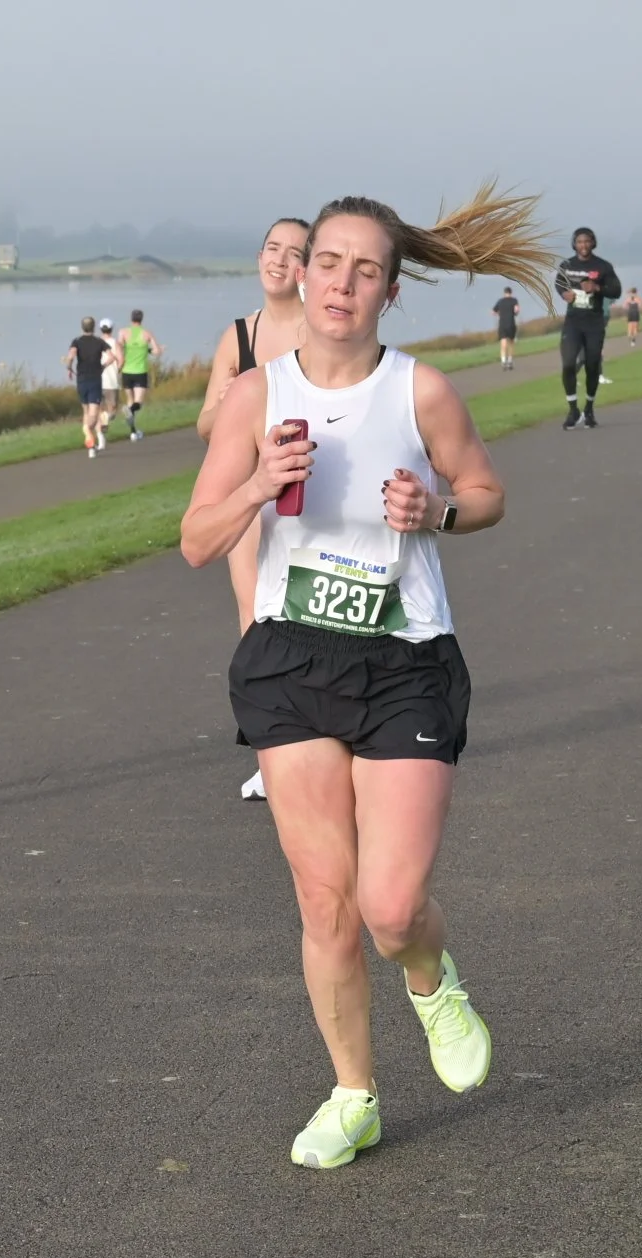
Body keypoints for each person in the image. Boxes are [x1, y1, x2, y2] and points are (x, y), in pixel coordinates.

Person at [181, 186, 549, 1170]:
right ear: (302, 275)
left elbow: (487, 493)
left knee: (388, 905)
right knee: (325, 901)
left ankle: (430, 978)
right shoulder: (256, 396)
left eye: (366, 270)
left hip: (405, 661)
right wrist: (257, 483)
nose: (343, 283)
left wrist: (437, 512)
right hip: (290, 656)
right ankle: (354, 1095)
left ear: (390, 291)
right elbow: (196, 538)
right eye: (328, 263)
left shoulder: (419, 392)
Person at [195, 217, 312, 802]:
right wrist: (233, 401)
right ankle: (272, 754)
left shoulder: (322, 330)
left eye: (294, 253)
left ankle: (321, 735)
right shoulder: (238, 335)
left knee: (307, 615)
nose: (279, 260)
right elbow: (205, 425)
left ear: (309, 268)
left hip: (307, 494)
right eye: (272, 248)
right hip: (249, 496)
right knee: (256, 619)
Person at [556, 227, 622, 429]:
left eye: (586, 241)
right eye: (579, 242)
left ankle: (589, 408)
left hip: (594, 323)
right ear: (574, 244)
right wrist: (564, 294)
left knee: (592, 366)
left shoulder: (603, 266)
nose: (583, 245)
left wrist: (597, 287)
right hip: (573, 322)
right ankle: (573, 410)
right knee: (568, 364)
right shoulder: (567, 265)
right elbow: (559, 283)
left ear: (593, 243)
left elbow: (616, 291)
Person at [64, 316, 119, 457]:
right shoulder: (99, 342)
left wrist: (69, 367)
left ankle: (90, 443)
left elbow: (71, 356)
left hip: (82, 381)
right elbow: (112, 357)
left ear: (82, 327)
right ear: (94, 327)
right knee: (94, 413)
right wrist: (103, 366)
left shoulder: (77, 341)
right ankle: (89, 433)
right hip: (95, 380)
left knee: (86, 412)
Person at [117, 311, 162, 438]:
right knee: (138, 403)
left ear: (131, 319)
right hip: (140, 371)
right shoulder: (147, 333)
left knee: (130, 400)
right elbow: (157, 351)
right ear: (142, 319)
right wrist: (149, 350)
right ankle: (130, 411)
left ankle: (133, 432)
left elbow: (119, 347)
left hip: (126, 371)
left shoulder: (123, 332)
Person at [491, 286, 522, 366]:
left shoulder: (500, 301)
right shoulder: (514, 300)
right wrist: (514, 313)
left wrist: (500, 314)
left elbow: (493, 312)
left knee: (503, 343)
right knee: (511, 343)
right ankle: (510, 360)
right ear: (511, 293)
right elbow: (517, 310)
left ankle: (503, 360)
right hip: (511, 324)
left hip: (502, 324)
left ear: (504, 293)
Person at [97, 317, 121, 419]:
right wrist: (118, 370)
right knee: (112, 407)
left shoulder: (96, 342)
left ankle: (103, 423)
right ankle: (105, 422)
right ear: (112, 328)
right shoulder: (115, 342)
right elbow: (121, 360)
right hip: (112, 380)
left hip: (97, 379)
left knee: (100, 407)